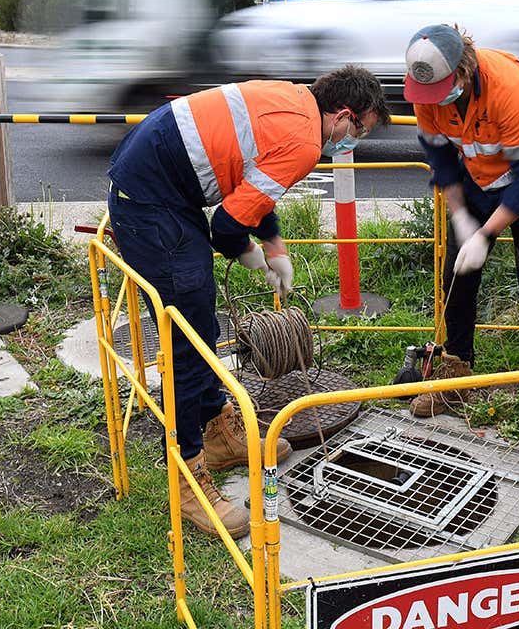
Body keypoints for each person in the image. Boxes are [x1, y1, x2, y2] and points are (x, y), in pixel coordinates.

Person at [106, 67, 389, 539]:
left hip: (159, 179)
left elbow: (256, 184)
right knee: (189, 341)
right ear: (343, 117)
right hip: (151, 199)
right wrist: (253, 255)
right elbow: (227, 228)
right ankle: (187, 479)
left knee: (201, 322)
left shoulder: (296, 100)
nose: (354, 141)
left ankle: (218, 431)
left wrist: (275, 247)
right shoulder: (304, 141)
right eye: (360, 131)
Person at [404, 24, 519, 451]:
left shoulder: (507, 88)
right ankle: (457, 371)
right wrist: (462, 218)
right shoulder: (426, 92)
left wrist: (487, 233)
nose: (433, 99)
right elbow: (440, 158)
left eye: (443, 88)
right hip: (477, 182)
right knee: (456, 278)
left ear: (463, 72)